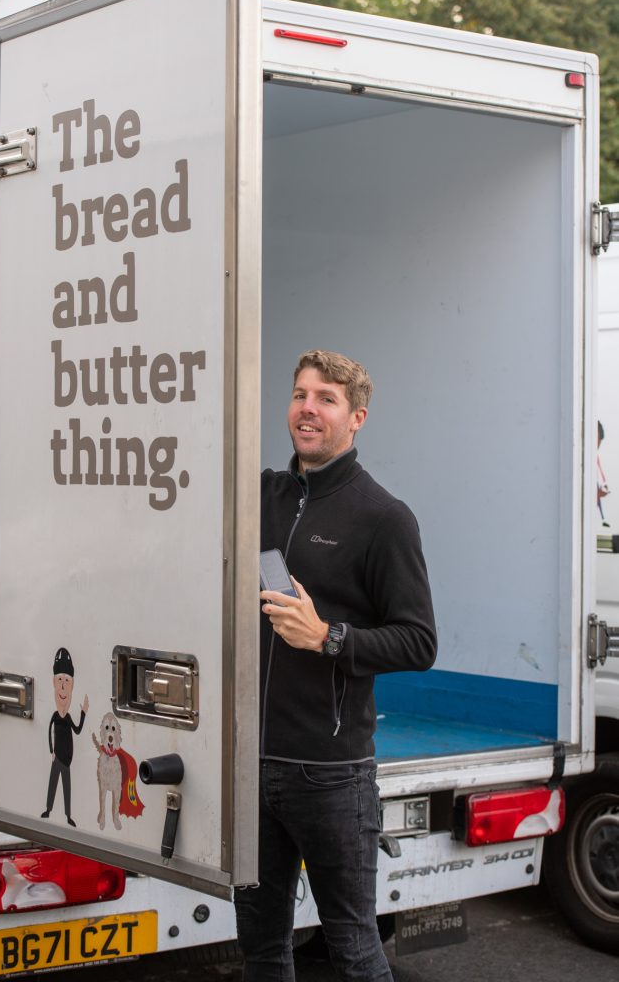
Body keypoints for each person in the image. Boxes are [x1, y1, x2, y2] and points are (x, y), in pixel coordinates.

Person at [234, 350, 437, 981]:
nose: (307, 409)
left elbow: (418, 641)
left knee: (352, 949)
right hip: (251, 766)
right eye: (299, 394)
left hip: (330, 774)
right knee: (262, 952)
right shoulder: (259, 495)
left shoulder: (384, 517)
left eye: (326, 398)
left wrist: (330, 637)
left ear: (357, 419)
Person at [41, 647, 89, 827]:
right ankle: (48, 809)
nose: (62, 685)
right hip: (57, 757)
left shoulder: (68, 717)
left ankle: (69, 815)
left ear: (72, 685)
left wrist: (83, 713)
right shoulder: (55, 715)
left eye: (66, 681)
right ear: (54, 682)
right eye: (60, 680)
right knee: (52, 784)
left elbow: (77, 730)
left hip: (67, 758)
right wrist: (51, 751)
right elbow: (48, 732)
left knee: (66, 787)